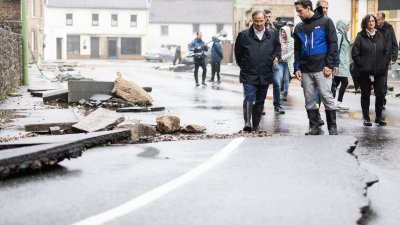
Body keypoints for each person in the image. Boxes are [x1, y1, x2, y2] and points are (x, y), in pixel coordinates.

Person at [293, 0, 338, 135]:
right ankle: (314, 127)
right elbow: (297, 49)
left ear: (308, 8)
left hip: (322, 68)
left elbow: (333, 44)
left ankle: (332, 128)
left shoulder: (326, 21)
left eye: (300, 11)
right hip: (306, 69)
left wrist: (330, 65)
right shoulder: (299, 27)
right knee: (309, 98)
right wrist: (297, 68)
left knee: (326, 96)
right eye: (297, 11)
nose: (298, 14)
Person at [235, 9, 281, 132]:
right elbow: (238, 54)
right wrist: (244, 66)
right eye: (256, 21)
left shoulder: (272, 34)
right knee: (249, 96)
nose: (259, 24)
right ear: (252, 21)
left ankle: (256, 125)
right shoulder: (244, 35)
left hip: (265, 72)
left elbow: (277, 48)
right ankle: (247, 123)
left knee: (261, 99)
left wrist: (276, 57)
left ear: (265, 20)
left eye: (261, 21)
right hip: (249, 72)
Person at [352, 14, 388, 126]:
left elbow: (386, 51)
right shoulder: (360, 37)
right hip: (365, 72)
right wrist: (363, 65)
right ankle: (366, 118)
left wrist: (384, 63)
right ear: (365, 23)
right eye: (369, 21)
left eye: (373, 21)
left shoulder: (380, 35)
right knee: (366, 95)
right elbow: (355, 54)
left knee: (381, 93)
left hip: (379, 71)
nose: (371, 23)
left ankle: (378, 117)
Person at [376, 11, 399, 109]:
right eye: (376, 19)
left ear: (383, 19)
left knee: (383, 81)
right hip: (374, 59)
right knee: (376, 81)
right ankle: (380, 99)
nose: (376, 21)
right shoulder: (374, 29)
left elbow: (394, 44)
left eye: (378, 19)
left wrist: (393, 58)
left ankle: (382, 100)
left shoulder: (389, 28)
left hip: (385, 60)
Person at [266, 9, 285, 114]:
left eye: (269, 16)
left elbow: (278, 46)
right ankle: (260, 106)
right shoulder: (259, 30)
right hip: (263, 63)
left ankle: (277, 105)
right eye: (266, 16)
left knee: (277, 84)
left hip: (274, 62)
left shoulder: (274, 31)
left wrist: (277, 57)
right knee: (262, 85)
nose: (268, 18)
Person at [333, 20, 351, 110]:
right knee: (344, 82)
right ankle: (337, 102)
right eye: (347, 25)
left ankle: (331, 102)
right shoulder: (340, 35)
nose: (349, 26)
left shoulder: (344, 35)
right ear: (343, 26)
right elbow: (336, 49)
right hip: (340, 63)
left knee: (336, 83)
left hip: (343, 63)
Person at [278, 26, 294, 101]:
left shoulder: (291, 40)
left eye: (284, 32)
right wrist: (278, 57)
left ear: (287, 33)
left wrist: (283, 57)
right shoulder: (279, 40)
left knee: (286, 79)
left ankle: (285, 93)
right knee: (280, 77)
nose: (282, 33)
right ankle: (279, 92)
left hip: (288, 62)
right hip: (280, 62)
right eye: (281, 31)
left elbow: (291, 52)